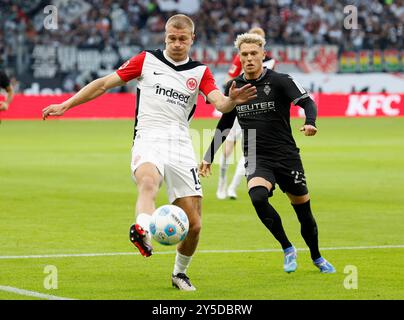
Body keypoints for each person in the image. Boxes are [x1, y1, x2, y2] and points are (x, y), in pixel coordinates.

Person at [42, 14, 257, 291]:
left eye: (182, 39)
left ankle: (179, 273)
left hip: (180, 145)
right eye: (171, 38)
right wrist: (66, 105)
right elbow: (104, 84)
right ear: (165, 37)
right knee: (147, 182)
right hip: (148, 137)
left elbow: (219, 102)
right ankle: (143, 230)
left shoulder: (200, 72)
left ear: (192, 39)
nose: (177, 43)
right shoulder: (146, 60)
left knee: (194, 224)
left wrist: (231, 101)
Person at [199, 33, 335, 274]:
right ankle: (287, 247)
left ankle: (316, 256)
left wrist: (311, 121)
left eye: (254, 53)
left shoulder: (281, 80)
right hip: (257, 157)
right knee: (258, 198)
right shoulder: (235, 87)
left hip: (286, 156)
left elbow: (307, 102)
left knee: (304, 214)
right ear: (239, 57)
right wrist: (208, 156)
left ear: (263, 54)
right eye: (244, 54)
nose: (249, 58)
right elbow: (225, 124)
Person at [216, 27, 276, 200]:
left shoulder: (270, 62)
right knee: (227, 150)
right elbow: (228, 80)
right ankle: (222, 184)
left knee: (249, 151)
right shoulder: (240, 58)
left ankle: (232, 189)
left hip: (257, 112)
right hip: (238, 109)